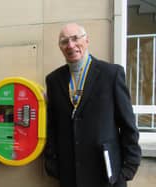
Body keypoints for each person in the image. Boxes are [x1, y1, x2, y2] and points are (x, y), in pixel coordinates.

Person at [44, 23, 141, 187]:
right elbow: (52, 125)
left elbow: (128, 125)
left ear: (87, 40)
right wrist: (52, 163)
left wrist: (128, 169)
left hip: (107, 174)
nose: (70, 45)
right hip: (70, 174)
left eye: (75, 39)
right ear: (60, 47)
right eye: (64, 41)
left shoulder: (111, 74)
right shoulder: (53, 80)